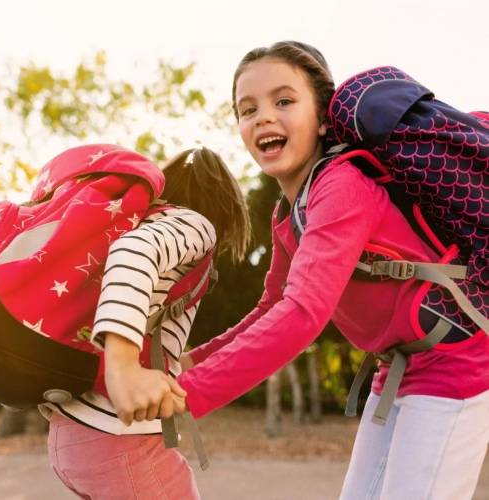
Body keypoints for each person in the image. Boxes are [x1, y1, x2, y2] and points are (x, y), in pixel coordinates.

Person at [159, 42, 487, 499]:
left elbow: (301, 315)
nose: (264, 117)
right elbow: (272, 305)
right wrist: (189, 362)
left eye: (284, 101)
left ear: (322, 116)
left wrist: (188, 394)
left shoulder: (341, 186)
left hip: (456, 365)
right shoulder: (289, 211)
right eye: (247, 109)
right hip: (398, 368)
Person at [42, 146, 251, 500]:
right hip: (120, 437)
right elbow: (134, 252)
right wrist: (122, 367)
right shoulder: (193, 222)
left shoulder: (138, 223)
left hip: (71, 435)